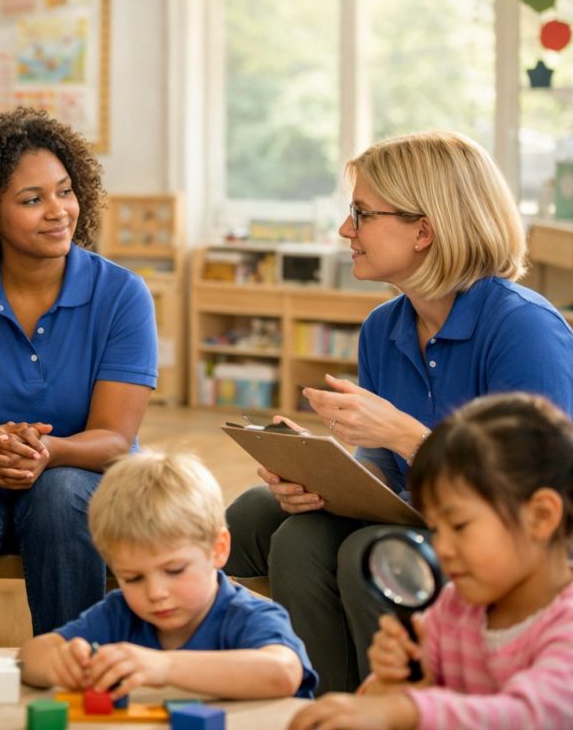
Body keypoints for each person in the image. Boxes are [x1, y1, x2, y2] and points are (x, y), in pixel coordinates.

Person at [225, 130, 573, 694]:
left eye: (361, 214)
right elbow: (382, 468)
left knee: (370, 552)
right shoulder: (383, 328)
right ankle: (318, 704)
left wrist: (411, 437)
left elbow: (538, 492)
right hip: (416, 513)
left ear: (424, 230)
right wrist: (317, 475)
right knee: (266, 518)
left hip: (502, 535)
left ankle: (402, 706)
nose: (346, 230)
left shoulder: (523, 327)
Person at [0, 108, 158, 643]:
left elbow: (115, 439)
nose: (58, 211)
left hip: (84, 478)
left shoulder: (122, 294)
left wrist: (46, 452)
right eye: (32, 200)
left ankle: (72, 671)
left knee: (61, 494)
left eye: (64, 191)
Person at [289, 393, 573, 729]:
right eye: (436, 529)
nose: (444, 548)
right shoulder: (454, 608)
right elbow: (392, 704)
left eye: (460, 526)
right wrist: (393, 684)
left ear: (541, 516)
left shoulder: (565, 624)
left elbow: (530, 715)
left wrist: (405, 709)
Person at [18, 450, 317, 700]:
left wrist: (163, 667)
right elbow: (31, 656)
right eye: (133, 578)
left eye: (174, 570)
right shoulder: (120, 613)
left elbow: (283, 673)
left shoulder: (246, 616)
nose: (155, 592)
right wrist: (60, 662)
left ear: (218, 549)